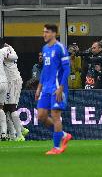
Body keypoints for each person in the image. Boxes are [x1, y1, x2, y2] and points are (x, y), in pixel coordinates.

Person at [35, 24, 72, 155]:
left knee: (55, 115)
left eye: (47, 32)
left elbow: (67, 69)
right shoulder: (45, 48)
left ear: (54, 34)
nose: (44, 34)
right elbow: (45, 69)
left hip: (57, 88)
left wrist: (61, 88)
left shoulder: (60, 48)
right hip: (46, 88)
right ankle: (63, 134)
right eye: (44, 32)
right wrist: (39, 87)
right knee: (41, 116)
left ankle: (56, 147)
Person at [3, 44, 28, 141]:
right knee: (6, 110)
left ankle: (19, 134)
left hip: (13, 82)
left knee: (11, 107)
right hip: (10, 82)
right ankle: (16, 133)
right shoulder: (7, 50)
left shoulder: (3, 52)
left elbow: (15, 56)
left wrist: (9, 47)